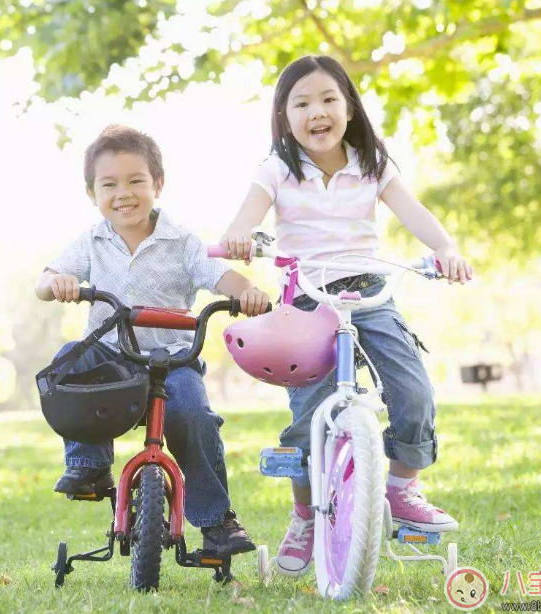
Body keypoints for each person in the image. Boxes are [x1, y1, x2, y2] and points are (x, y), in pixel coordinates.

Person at [220, 55, 472, 577]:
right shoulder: (277, 168)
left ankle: (402, 488)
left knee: (413, 392)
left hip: (370, 293)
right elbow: (246, 216)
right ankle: (305, 515)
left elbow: (412, 211)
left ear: (350, 108)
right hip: (308, 299)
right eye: (302, 103)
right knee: (308, 415)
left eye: (329, 99)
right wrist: (239, 238)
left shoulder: (372, 162)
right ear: (284, 116)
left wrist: (445, 247)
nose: (318, 112)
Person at [35, 124, 269, 556]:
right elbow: (43, 282)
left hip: (171, 360)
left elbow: (221, 276)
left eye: (136, 181)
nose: (123, 193)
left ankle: (217, 522)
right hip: (111, 357)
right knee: (68, 362)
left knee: (195, 416)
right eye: (109, 184)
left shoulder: (181, 241)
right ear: (92, 193)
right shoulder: (91, 241)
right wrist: (58, 282)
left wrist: (246, 292)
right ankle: (89, 466)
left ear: (157, 184)